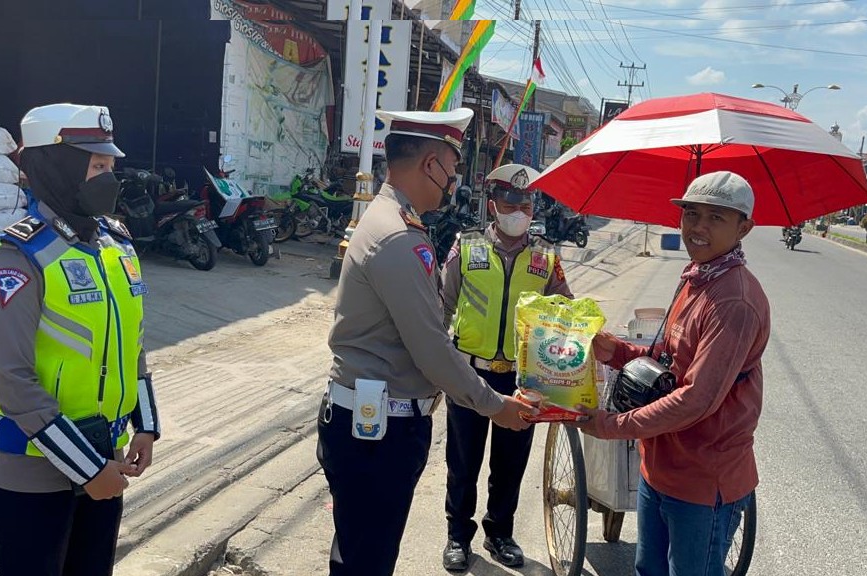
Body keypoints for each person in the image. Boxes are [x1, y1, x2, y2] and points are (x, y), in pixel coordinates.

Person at [317, 108, 537, 576]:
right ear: (430, 163)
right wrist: (494, 404)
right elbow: (432, 347)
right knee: (367, 559)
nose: (453, 181)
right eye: (452, 169)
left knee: (356, 551)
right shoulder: (398, 236)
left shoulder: (395, 223)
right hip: (376, 432)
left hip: (370, 423)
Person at [0, 103, 161, 576]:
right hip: (29, 472)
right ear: (58, 166)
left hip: (103, 459)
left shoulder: (115, 244)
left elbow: (130, 346)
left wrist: (146, 425)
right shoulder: (17, 257)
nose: (109, 177)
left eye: (110, 166)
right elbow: (13, 380)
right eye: (97, 166)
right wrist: (90, 470)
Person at [574, 171, 770, 576]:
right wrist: (619, 352)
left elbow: (696, 398)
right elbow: (669, 362)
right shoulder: (697, 279)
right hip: (658, 466)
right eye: (691, 214)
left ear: (743, 228)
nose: (698, 227)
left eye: (716, 218)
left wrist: (610, 425)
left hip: (703, 478)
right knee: (648, 569)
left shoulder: (734, 300)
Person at [439, 164, 573, 571]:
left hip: (521, 377)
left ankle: (500, 533)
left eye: (526, 203)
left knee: (510, 462)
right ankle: (457, 536)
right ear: (493, 204)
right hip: (468, 373)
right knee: (463, 461)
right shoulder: (466, 246)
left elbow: (565, 310)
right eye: (511, 202)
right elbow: (441, 306)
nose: (519, 209)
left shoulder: (547, 256)